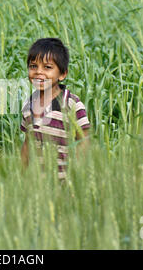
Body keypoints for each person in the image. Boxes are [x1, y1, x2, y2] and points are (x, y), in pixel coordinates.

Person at [20, 38, 91, 180]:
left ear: (63, 74)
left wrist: (75, 178)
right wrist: (20, 176)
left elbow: (84, 143)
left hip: (64, 186)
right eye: (33, 66)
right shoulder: (29, 106)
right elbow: (28, 144)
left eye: (47, 67)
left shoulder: (72, 105)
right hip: (38, 187)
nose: (39, 72)